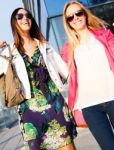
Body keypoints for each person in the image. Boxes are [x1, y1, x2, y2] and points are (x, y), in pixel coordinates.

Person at [0, 8, 77, 150]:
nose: (25, 18)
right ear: (14, 23)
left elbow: (66, 71)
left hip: (55, 105)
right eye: (20, 16)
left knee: (68, 147)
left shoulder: (44, 45)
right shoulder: (8, 51)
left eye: (28, 16)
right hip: (29, 111)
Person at [62, 1, 114, 149]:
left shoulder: (104, 35)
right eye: (70, 17)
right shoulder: (67, 49)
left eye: (78, 13)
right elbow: (61, 74)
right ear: (68, 22)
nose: (75, 18)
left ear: (84, 13)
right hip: (90, 106)